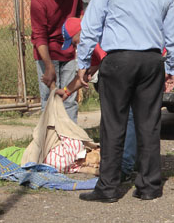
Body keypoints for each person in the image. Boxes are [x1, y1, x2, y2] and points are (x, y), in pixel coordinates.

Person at [76, 0, 174, 203]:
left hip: (118, 60)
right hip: (151, 61)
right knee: (149, 124)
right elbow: (173, 38)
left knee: (113, 125)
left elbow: (90, 28)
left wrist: (82, 63)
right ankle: (149, 186)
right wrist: (172, 69)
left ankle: (108, 188)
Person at [56, 17, 137, 181]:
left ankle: (125, 166)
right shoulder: (92, 47)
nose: (75, 47)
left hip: (129, 70)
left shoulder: (98, 38)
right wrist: (66, 92)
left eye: (74, 42)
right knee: (123, 119)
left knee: (128, 118)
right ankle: (122, 163)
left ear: (80, 32)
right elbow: (87, 74)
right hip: (123, 73)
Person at [31, 0, 83, 123]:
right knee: (49, 100)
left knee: (69, 99)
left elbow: (80, 10)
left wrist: (80, 30)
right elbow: (39, 36)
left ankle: (70, 140)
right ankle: (51, 141)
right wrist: (48, 66)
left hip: (68, 50)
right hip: (47, 51)